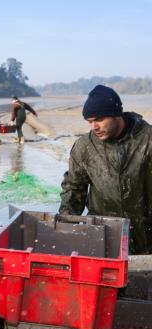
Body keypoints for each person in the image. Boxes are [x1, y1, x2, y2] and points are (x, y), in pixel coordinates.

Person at [59, 85, 152, 255]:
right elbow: (73, 189)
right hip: (102, 237)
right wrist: (64, 231)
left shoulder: (148, 140)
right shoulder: (85, 147)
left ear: (117, 114)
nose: (94, 126)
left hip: (146, 238)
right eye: (89, 121)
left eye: (99, 119)